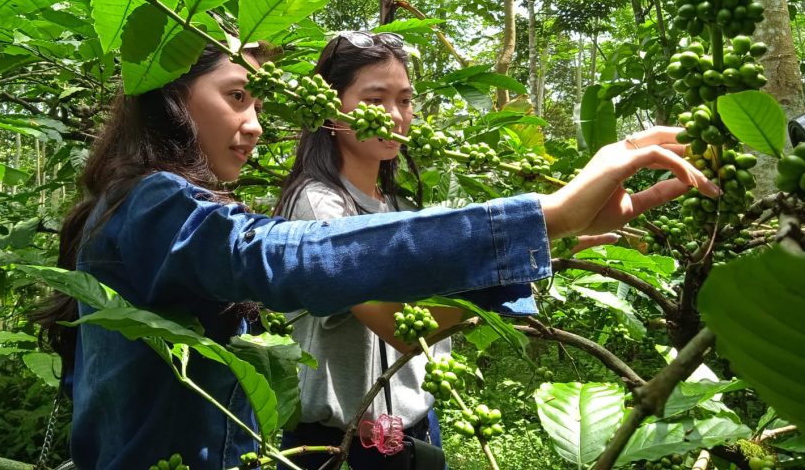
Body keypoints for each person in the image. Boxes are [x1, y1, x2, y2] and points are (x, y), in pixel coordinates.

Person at [36, 41, 719, 470]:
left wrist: (545, 237)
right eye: (236, 96)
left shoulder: (141, 207)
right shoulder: (153, 201)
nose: (255, 125)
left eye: (258, 102)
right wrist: (545, 216)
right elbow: (289, 259)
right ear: (169, 99)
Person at [274, 31, 458, 468]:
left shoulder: (399, 206)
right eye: (375, 100)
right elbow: (401, 328)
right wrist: (508, 269)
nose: (394, 115)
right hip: (335, 445)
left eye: (405, 100)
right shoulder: (318, 207)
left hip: (412, 430)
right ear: (330, 107)